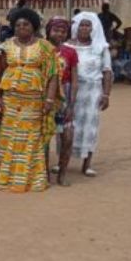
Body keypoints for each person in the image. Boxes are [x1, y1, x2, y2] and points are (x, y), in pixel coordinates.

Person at [0, 8, 58, 193]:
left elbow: (53, 74)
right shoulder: (5, 46)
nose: (22, 27)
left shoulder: (45, 46)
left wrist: (49, 99)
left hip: (34, 99)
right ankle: (7, 177)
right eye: (18, 25)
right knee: (8, 135)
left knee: (30, 137)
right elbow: (0, 72)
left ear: (34, 26)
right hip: (11, 98)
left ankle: (30, 179)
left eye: (26, 24)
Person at [66, 12, 112, 177]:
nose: (84, 28)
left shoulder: (101, 47)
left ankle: (87, 164)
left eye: (88, 25)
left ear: (94, 28)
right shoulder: (68, 46)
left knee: (90, 127)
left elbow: (107, 71)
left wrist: (106, 94)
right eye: (82, 25)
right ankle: (62, 162)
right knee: (68, 125)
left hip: (92, 91)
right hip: (71, 90)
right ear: (76, 26)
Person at [45, 17, 78, 187]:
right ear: (48, 31)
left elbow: (74, 80)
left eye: (63, 31)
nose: (59, 34)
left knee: (67, 137)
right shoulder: (41, 49)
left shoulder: (70, 52)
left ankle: (62, 174)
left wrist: (71, 104)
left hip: (64, 98)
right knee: (43, 137)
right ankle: (44, 174)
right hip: (45, 96)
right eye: (56, 30)